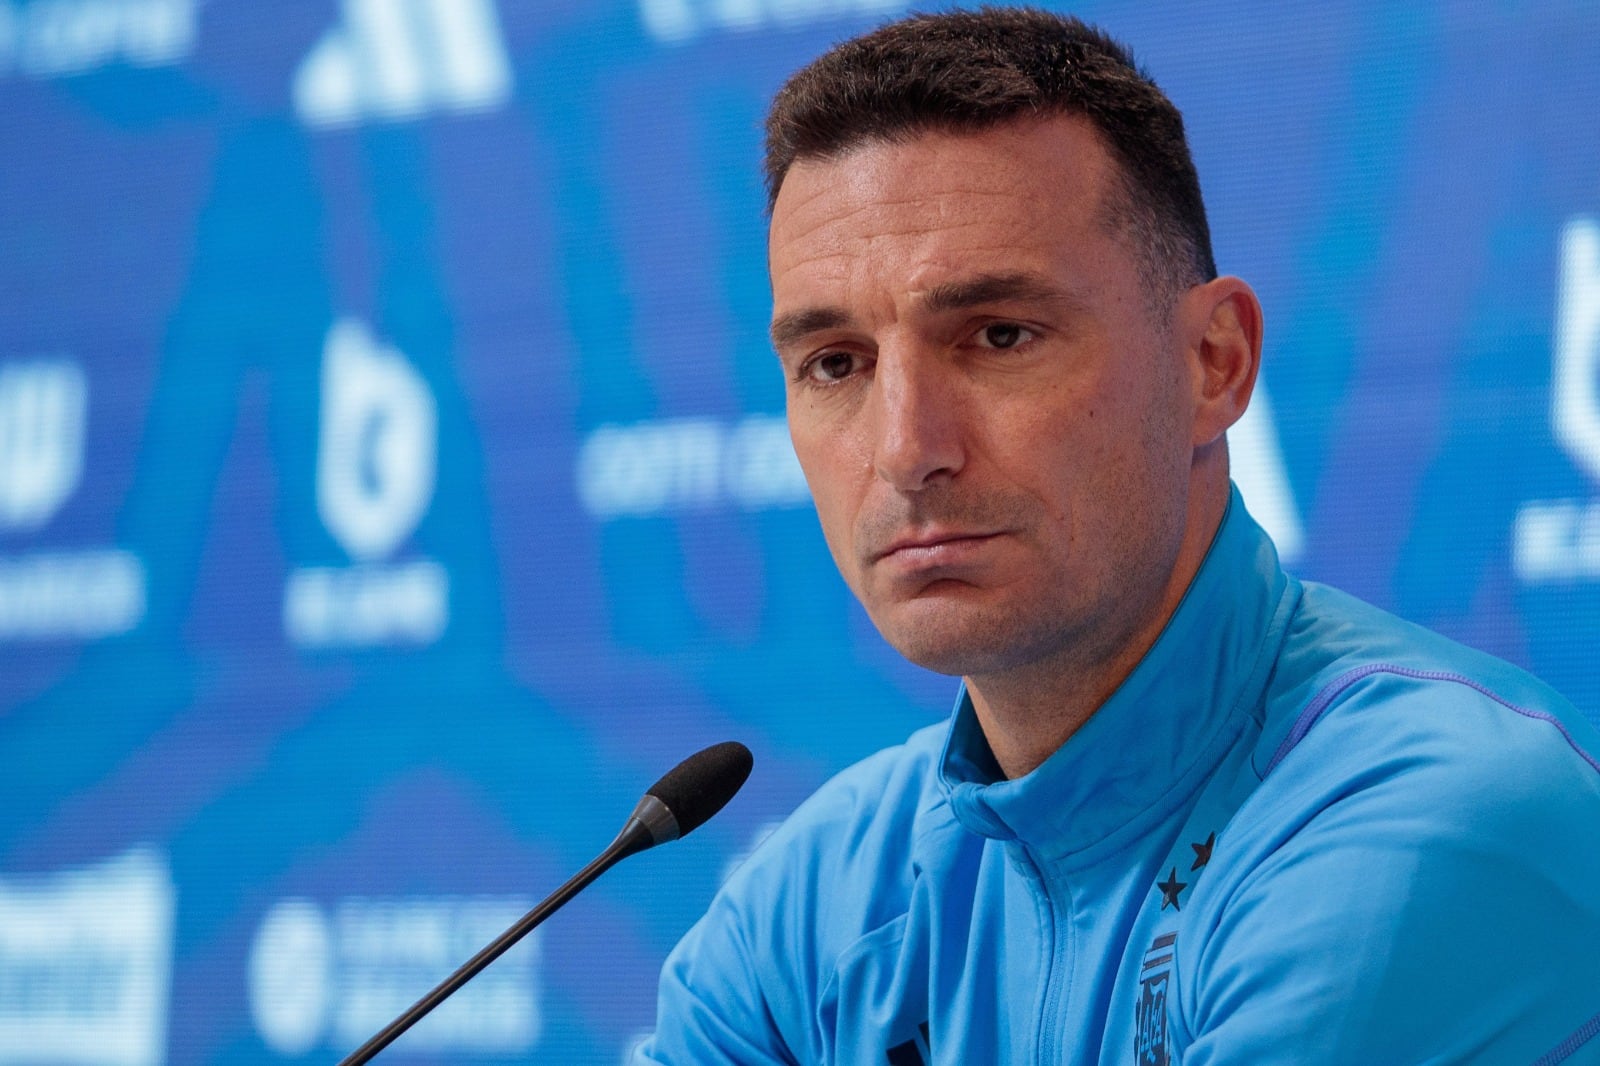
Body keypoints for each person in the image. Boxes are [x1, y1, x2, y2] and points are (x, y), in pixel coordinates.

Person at [634, 9, 1600, 1064]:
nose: (906, 449)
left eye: (999, 335)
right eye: (835, 363)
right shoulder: (809, 907)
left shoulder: (1435, 816)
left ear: (1213, 363)